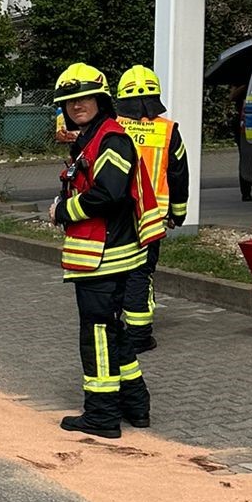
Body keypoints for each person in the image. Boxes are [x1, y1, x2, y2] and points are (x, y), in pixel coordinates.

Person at [50, 65, 156, 438]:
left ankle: (102, 414)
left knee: (95, 335)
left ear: (101, 100)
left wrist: (63, 210)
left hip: (104, 256)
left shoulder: (111, 139)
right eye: (70, 100)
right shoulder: (94, 138)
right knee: (112, 331)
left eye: (84, 98)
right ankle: (136, 404)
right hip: (104, 253)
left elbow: (109, 194)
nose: (77, 105)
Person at [115, 66, 189, 354]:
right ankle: (139, 336)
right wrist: (178, 213)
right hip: (151, 216)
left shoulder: (111, 127)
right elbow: (179, 176)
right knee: (140, 272)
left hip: (114, 214)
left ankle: (113, 324)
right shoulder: (168, 131)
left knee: (114, 269)